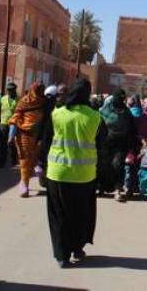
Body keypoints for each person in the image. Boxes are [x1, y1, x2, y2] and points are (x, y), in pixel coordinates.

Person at [46, 78, 101, 268]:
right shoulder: (95, 117)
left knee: (59, 214)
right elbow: (102, 143)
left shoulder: (57, 114)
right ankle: (77, 248)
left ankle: (62, 255)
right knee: (81, 214)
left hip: (58, 173)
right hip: (84, 175)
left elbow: (46, 139)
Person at [8, 81, 46, 197]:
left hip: (31, 136)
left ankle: (28, 182)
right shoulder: (33, 102)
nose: (40, 92)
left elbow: (15, 118)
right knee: (28, 158)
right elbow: (15, 118)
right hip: (31, 135)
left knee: (29, 159)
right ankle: (30, 177)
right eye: (39, 89)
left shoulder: (34, 101)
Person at [98, 88, 136, 201]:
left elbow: (131, 129)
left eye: (122, 98)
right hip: (105, 142)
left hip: (121, 144)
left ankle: (118, 190)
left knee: (118, 165)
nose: (121, 100)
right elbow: (99, 125)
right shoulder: (104, 110)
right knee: (104, 165)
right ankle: (101, 188)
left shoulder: (126, 112)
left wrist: (131, 147)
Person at [0, 82, 18, 168]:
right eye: (8, 90)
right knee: (3, 144)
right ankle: (1, 162)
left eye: (11, 90)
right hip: (3, 124)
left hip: (15, 125)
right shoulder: (2, 99)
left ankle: (13, 161)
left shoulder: (19, 99)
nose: (10, 92)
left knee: (13, 144)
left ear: (15, 90)